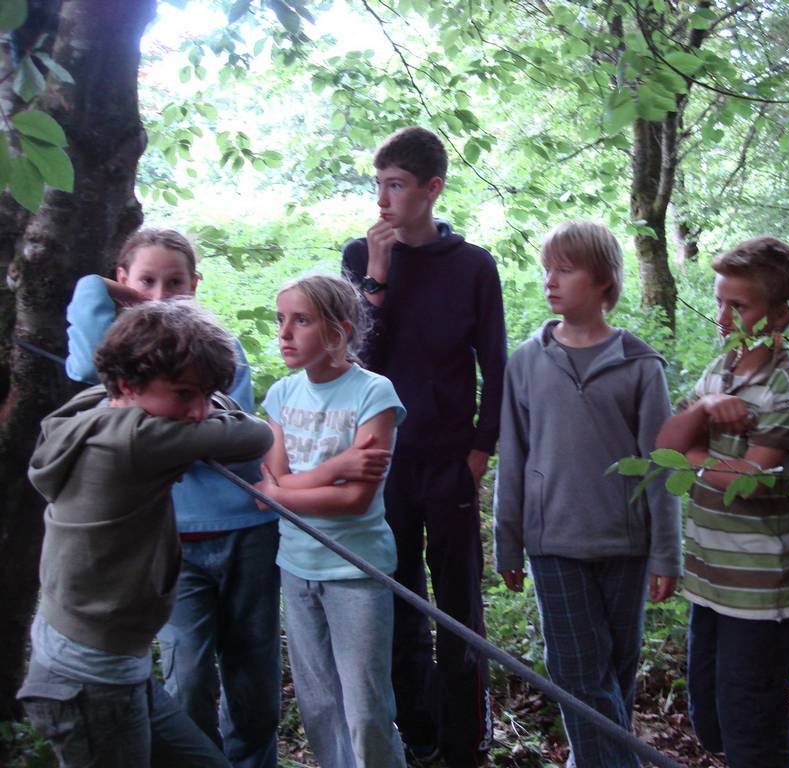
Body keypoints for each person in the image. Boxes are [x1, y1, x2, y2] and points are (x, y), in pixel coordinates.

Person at [17, 300, 274, 768]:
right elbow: (254, 436)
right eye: (183, 393)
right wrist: (217, 407)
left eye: (206, 394)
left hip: (106, 661)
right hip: (88, 678)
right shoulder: (138, 441)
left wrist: (187, 394)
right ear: (127, 385)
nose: (198, 412)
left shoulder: (93, 407)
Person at [341, 126, 506, 766]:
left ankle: (467, 741)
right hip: (384, 461)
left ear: (431, 189)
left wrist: (479, 452)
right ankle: (418, 736)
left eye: (397, 185)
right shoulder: (360, 256)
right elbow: (356, 362)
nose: (383, 199)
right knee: (399, 601)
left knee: (459, 605)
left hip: (449, 460)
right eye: (378, 184)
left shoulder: (472, 265)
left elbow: (495, 364)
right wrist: (377, 279)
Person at [493, 220, 681, 767]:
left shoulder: (640, 365)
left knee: (615, 674)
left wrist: (667, 553)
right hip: (554, 544)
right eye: (547, 267)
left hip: (625, 545)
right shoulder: (527, 362)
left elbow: (661, 467)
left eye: (566, 268)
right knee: (577, 672)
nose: (550, 279)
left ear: (603, 280)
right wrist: (507, 544)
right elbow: (514, 458)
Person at [655, 236, 789, 768]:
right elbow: (664, 447)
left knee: (753, 727)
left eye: (738, 305)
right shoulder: (719, 372)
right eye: (720, 301)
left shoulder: (785, 386)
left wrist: (697, 454)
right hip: (711, 583)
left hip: (760, 593)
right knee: (712, 718)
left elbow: (749, 479)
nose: (723, 316)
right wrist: (705, 405)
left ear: (781, 314)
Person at [256, 274, 407, 768]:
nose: (285, 333)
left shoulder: (374, 394)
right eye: (281, 320)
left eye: (301, 320)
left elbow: (355, 502)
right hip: (296, 568)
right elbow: (274, 485)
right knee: (319, 705)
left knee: (365, 709)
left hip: (356, 571)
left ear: (338, 332)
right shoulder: (279, 395)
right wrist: (334, 471)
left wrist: (283, 492)